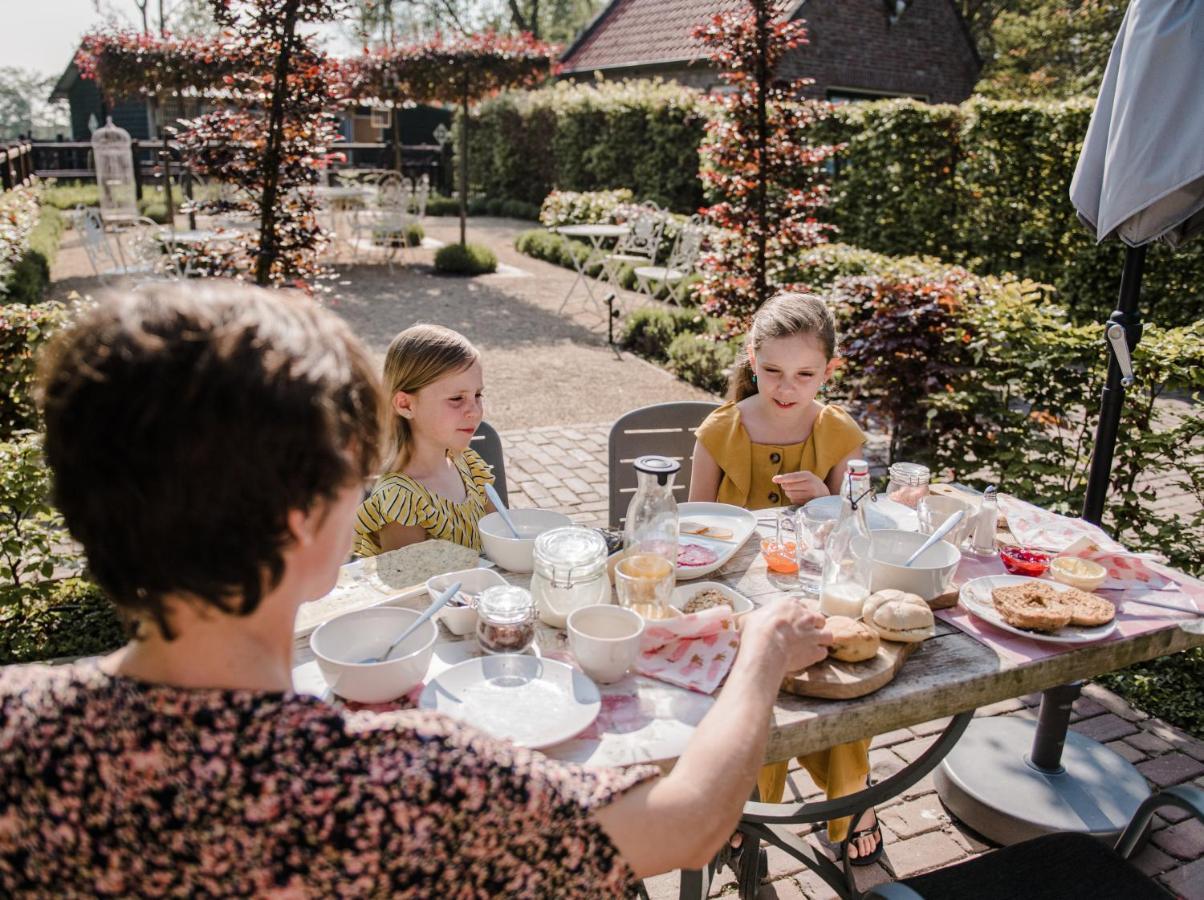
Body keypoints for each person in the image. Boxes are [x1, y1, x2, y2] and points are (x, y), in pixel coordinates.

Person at [0, 283, 832, 896]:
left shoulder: (17, 730)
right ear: (308, 514)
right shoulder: (410, 781)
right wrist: (761, 653)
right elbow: (689, 824)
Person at [689, 291, 883, 865]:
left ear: (830, 370)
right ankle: (755, 803)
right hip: (736, 600)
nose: (786, 387)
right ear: (751, 358)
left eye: (804, 374)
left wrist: (827, 500)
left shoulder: (838, 431)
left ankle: (849, 799)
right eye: (772, 370)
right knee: (765, 686)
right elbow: (693, 531)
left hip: (812, 594)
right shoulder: (721, 430)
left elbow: (858, 527)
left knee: (847, 682)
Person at [354, 324, 494, 556]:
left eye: (477, 395)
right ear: (406, 405)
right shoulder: (400, 498)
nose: (475, 411)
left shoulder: (468, 464)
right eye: (457, 398)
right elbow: (416, 587)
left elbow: (503, 538)